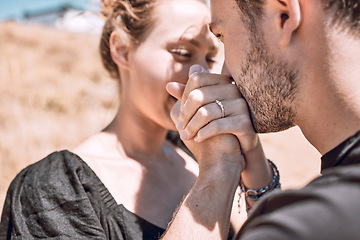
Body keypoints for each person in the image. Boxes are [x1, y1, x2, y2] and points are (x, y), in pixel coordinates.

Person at [0, 0, 273, 239]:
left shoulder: (203, 151)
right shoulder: (52, 190)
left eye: (211, 58)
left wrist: (253, 158)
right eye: (182, 53)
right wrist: (217, 172)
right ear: (122, 49)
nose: (200, 75)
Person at [160, 0, 360, 239]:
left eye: (222, 35)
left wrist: (217, 167)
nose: (224, 73)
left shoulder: (302, 228)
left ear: (284, 17)